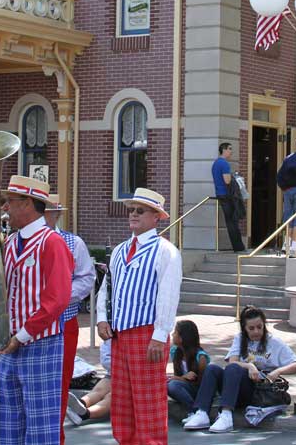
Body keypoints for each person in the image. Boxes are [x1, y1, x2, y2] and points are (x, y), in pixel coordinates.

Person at [97, 187, 183, 445]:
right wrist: (102, 317)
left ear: (157, 216)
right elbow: (107, 287)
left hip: (147, 332)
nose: (133, 214)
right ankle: (124, 440)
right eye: (131, 210)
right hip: (119, 334)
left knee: (148, 399)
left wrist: (160, 334)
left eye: (140, 210)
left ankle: (151, 442)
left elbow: (168, 296)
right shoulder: (120, 250)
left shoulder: (166, 251)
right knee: (122, 397)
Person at [0, 174, 73, 445]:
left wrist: (22, 335)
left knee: (41, 427)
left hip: (41, 343)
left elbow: (57, 299)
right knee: (10, 424)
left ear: (28, 203)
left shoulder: (52, 242)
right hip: (11, 343)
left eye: (10, 201)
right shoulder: (9, 243)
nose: (5, 207)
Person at [183, 305, 296, 433]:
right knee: (212, 368)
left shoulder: (274, 342)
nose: (256, 331)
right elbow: (232, 361)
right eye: (251, 328)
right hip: (233, 387)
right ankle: (201, 412)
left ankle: (226, 415)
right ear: (244, 329)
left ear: (264, 326)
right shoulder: (240, 338)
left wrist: (277, 371)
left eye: (259, 327)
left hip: (256, 392)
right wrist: (250, 366)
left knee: (233, 368)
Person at [42, 195, 96, 445]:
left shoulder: (73, 243)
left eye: (46, 212)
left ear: (56, 215)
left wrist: (58, 297)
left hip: (63, 323)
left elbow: (86, 278)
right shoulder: (16, 242)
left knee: (59, 385)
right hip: (27, 325)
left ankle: (55, 439)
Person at [66, 339, 113, 426]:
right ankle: (80, 404)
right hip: (115, 372)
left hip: (132, 377)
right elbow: (105, 360)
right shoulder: (111, 336)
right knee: (99, 390)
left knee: (111, 396)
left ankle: (85, 414)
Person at [166, 319, 210, 410]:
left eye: (175, 332)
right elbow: (178, 377)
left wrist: (179, 379)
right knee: (168, 384)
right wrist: (181, 378)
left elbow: (203, 385)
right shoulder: (175, 351)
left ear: (182, 337)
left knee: (172, 385)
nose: (172, 335)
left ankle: (193, 410)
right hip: (184, 386)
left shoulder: (201, 358)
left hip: (198, 390)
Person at [276, 138, 296, 258]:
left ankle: (286, 245)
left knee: (289, 217)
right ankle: (294, 248)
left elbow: (279, 176)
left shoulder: (288, 158)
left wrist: (284, 188)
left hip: (287, 191)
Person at [212, 142, 246, 252]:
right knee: (233, 221)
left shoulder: (216, 163)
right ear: (224, 150)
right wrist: (235, 178)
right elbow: (227, 180)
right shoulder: (224, 164)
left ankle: (237, 246)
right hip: (227, 195)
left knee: (230, 221)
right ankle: (239, 247)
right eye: (230, 149)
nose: (231, 151)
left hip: (220, 194)